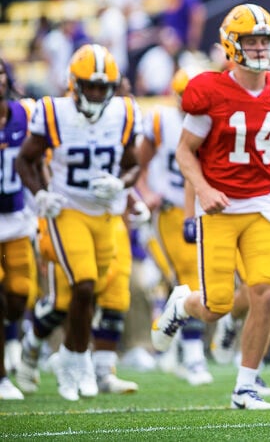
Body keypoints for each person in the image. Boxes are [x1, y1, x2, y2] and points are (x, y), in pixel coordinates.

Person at [149, 3, 270, 410]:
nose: (260, 48)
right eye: (251, 40)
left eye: (265, 40)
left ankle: (245, 386)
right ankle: (180, 304)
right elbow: (185, 152)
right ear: (231, 45)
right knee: (215, 306)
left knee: (265, 291)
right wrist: (204, 190)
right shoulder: (209, 90)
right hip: (221, 210)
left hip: (262, 205)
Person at [15, 44, 142, 401]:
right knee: (82, 286)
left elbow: (133, 163)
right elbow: (26, 160)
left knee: (93, 293)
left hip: (103, 213)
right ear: (75, 84)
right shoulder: (53, 112)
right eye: (91, 86)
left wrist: (122, 184)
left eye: (104, 87)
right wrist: (41, 194)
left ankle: (71, 359)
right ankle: (75, 365)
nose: (97, 94)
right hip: (66, 209)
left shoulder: (124, 113)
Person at [135, 68, 214, 387]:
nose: (190, 102)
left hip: (204, 208)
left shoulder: (212, 119)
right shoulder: (160, 121)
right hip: (170, 210)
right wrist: (146, 191)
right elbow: (138, 163)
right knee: (189, 278)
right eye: (184, 95)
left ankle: (175, 345)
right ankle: (193, 356)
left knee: (198, 282)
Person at [0, 59, 33, 400]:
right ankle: (1, 377)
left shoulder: (25, 114)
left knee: (20, 291)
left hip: (17, 218)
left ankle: (13, 336)